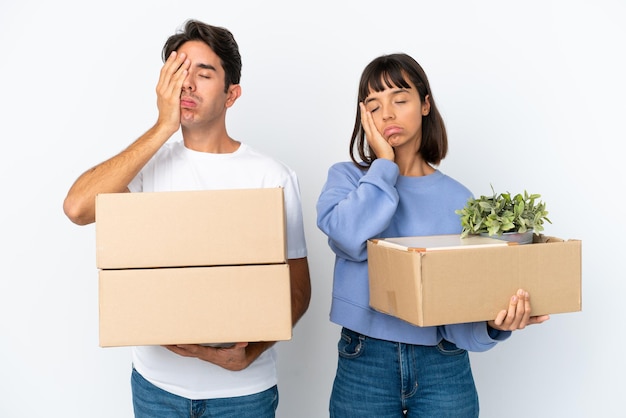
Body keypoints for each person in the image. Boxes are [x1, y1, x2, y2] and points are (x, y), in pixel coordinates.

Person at [63, 19, 311, 418]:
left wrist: (251, 351)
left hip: (243, 394)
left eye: (204, 72)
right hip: (157, 388)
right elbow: (77, 207)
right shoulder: (145, 166)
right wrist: (164, 126)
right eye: (179, 71)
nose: (187, 84)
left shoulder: (271, 176)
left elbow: (298, 289)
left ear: (232, 94)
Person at [316, 53, 549, 417]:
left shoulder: (461, 200)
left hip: (443, 364)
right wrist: (383, 167)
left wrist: (493, 324)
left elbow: (462, 311)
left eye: (400, 99)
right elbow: (348, 237)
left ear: (425, 104)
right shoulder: (348, 179)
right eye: (374, 106)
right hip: (365, 360)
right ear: (364, 118)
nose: (388, 114)